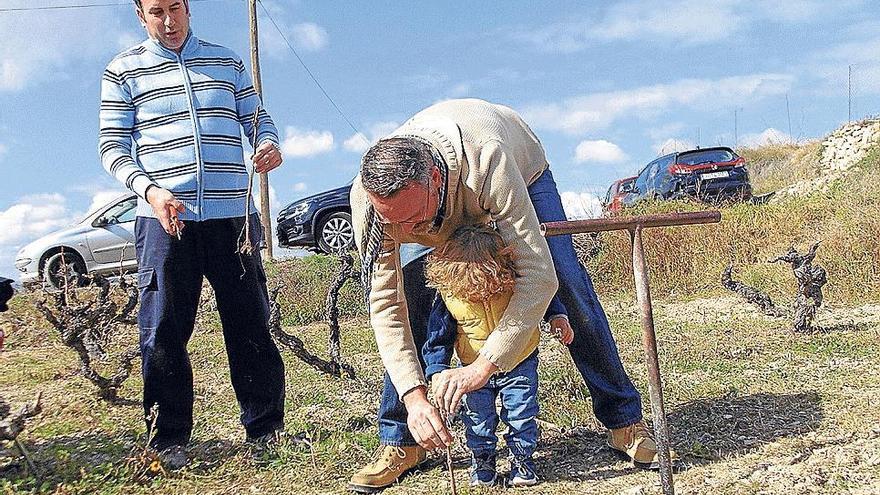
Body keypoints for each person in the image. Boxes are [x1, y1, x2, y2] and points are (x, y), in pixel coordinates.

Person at [348, 98, 672, 492]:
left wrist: (484, 365)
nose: (410, 232)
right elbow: (385, 305)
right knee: (415, 290)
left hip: (521, 168)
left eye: (414, 220)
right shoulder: (370, 204)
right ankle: (403, 439)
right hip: (441, 185)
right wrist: (416, 397)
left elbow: (538, 276)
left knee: (565, 278)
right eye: (394, 223)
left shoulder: (490, 160)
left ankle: (624, 420)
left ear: (434, 178)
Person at [99, 0, 286, 469]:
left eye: (176, 8)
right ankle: (168, 438)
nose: (168, 21)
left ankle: (265, 430)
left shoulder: (226, 60)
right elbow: (112, 147)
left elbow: (257, 118)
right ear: (140, 16)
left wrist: (267, 143)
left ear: (189, 8)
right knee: (163, 329)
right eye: (156, 11)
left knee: (249, 322)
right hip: (165, 219)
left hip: (233, 218)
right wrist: (151, 191)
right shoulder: (123, 71)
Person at [421, 223, 573, 487]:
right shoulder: (449, 294)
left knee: (521, 413)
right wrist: (437, 371)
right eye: (472, 295)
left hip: (519, 361)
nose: (480, 296)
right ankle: (483, 461)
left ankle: (522, 460)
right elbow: (438, 338)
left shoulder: (514, 280)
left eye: (489, 290)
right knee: (478, 420)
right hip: (470, 370)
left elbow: (542, 295)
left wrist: (557, 316)